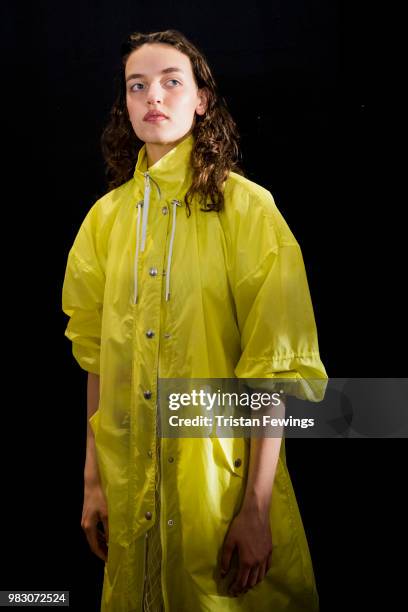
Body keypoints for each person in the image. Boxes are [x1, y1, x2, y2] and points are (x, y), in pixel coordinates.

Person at [62, 29, 328, 612]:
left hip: (221, 488)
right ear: (126, 105)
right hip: (130, 489)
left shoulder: (250, 211)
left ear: (201, 99)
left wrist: (256, 508)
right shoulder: (104, 224)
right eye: (138, 86)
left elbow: (273, 375)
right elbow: (97, 363)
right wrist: (94, 481)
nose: (153, 96)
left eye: (171, 82)